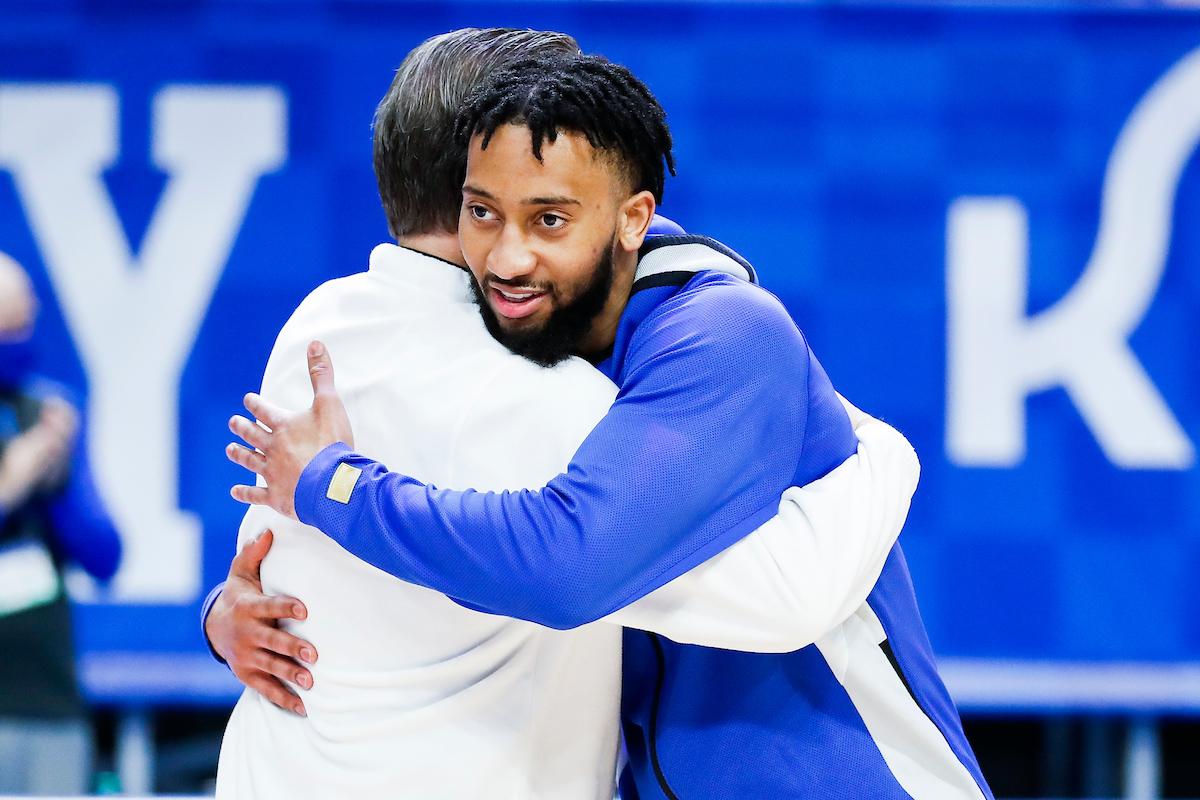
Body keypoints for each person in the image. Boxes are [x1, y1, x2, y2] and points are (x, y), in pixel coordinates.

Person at [231, 54, 993, 799]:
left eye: (549, 216)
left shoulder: (321, 322)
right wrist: (881, 461)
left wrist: (308, 519)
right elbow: (782, 590)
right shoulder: (538, 379)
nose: (510, 254)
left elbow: (584, 564)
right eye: (486, 211)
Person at [0, 252, 121, 796]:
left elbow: (105, 556)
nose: (22, 338)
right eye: (9, 327)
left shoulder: (48, 413)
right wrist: (12, 482)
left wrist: (59, 483)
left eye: (27, 321)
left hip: (47, 697)